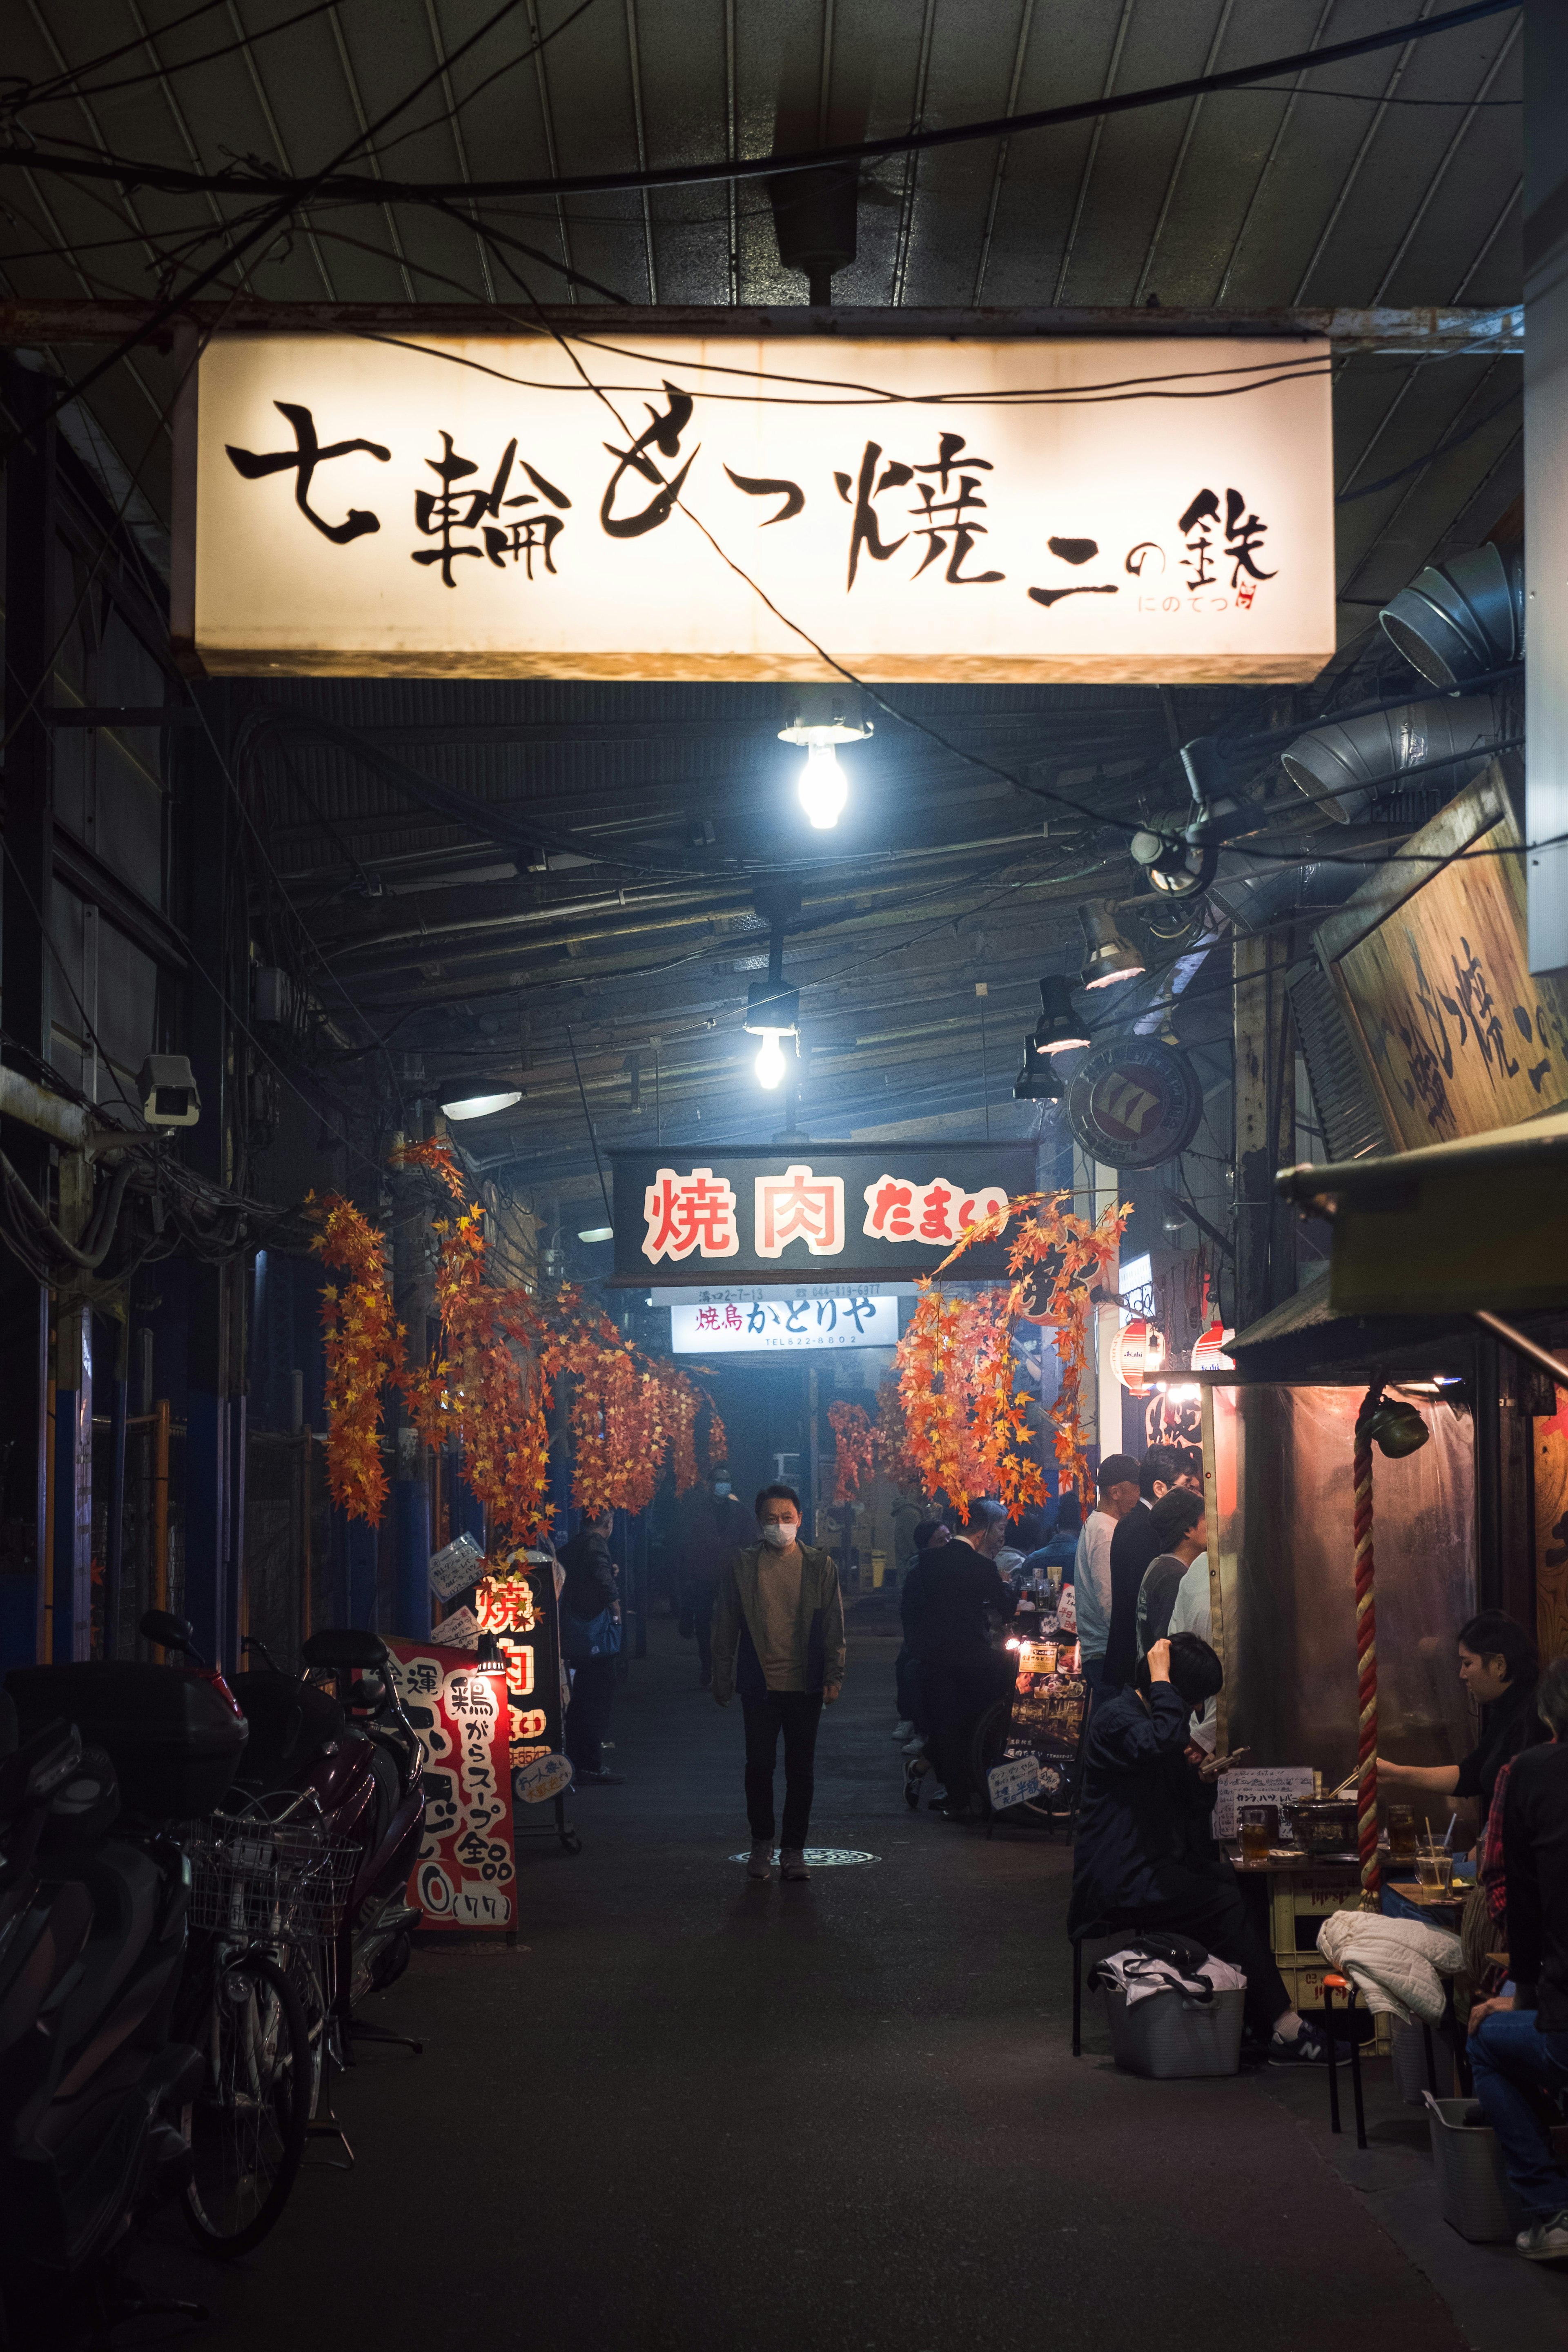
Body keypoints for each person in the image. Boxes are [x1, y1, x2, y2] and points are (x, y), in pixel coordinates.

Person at [1068, 1632, 1326, 2060]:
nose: (1193, 1710)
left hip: (1154, 1863)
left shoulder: (1150, 1718)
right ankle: (1284, 2024)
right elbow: (1160, 1741)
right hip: (1121, 1876)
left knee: (1241, 1882)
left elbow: (1182, 1801)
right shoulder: (1118, 1717)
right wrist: (1163, 1680)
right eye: (1193, 1699)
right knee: (1222, 1900)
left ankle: (1249, 2013)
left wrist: (1202, 1780)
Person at [1467, 1655, 1568, 2261]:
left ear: (1550, 1715)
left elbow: (1522, 1913)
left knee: (1486, 2040)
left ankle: (1552, 2209)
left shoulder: (1529, 1773)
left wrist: (1522, 1998)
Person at [711, 1484, 845, 1883]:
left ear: (800, 1520)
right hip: (760, 1683)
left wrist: (834, 1674)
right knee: (760, 1765)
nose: (780, 1526)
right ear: (759, 1524)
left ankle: (794, 1850)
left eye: (787, 1518)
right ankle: (762, 1843)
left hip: (804, 1683)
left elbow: (834, 1626)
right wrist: (723, 1675)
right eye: (771, 1520)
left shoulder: (821, 1566)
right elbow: (726, 1622)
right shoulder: (743, 1564)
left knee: (801, 1769)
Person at [1379, 1611, 1546, 1835]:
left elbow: (1527, 1809)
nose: (1462, 1674)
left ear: (1499, 1665)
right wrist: (1396, 1773)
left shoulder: (1533, 1716)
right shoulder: (1506, 1709)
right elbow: (1471, 1775)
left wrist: (1484, 1848)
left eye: (1468, 1663)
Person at [905, 1499, 1017, 1821]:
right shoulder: (982, 1567)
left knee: (946, 1726)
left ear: (956, 1527)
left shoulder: (925, 1562)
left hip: (933, 1658)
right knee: (972, 1720)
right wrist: (1007, 1586)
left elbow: (909, 1610)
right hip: (974, 1658)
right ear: (981, 1534)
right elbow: (1006, 1607)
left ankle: (957, 1799)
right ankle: (971, 1784)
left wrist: (917, 1648)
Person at [1103, 1445, 1202, 1692]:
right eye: (1189, 1487)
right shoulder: (1145, 1529)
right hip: (1140, 1667)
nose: (1196, 1497)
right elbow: (1151, 1608)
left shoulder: (1132, 1522)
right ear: (1160, 1488)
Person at [678, 1462, 758, 1690]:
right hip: (704, 1575)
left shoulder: (740, 1512)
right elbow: (688, 1544)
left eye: (727, 1480)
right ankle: (707, 1664)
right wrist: (689, 1575)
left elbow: (751, 1542)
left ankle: (729, 1668)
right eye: (719, 1481)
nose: (723, 1485)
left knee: (735, 1623)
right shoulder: (698, 1511)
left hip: (732, 1575)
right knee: (703, 1622)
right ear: (711, 1485)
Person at [559, 1507, 623, 1785]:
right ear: (607, 1522)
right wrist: (616, 1606)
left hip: (575, 1632)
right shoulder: (597, 1544)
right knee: (597, 1698)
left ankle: (577, 1759)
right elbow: (600, 1575)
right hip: (593, 1633)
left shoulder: (573, 1545)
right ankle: (591, 1764)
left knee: (582, 1699)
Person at [1074, 1454, 1141, 1695]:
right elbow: (1110, 1603)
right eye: (1136, 1487)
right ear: (1115, 1492)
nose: (1140, 1494)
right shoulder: (1106, 1533)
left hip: (1101, 1653)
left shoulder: (1099, 1525)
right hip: (1106, 1654)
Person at [1134, 1487, 1209, 1662]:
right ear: (1189, 1529)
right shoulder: (1176, 1577)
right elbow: (1169, 1645)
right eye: (1206, 1518)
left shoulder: (1160, 1564)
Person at [893, 1520, 949, 1743]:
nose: (948, 1542)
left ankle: (919, 1727)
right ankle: (911, 1721)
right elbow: (909, 1610)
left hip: (943, 1632)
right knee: (907, 1666)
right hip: (923, 1631)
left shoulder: (955, 1561)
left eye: (949, 1537)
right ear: (926, 1546)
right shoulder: (917, 1567)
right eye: (941, 1540)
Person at [1022, 1491, 1082, 1593]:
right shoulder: (1084, 1559)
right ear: (1080, 1529)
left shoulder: (1032, 1561)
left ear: (1057, 1527)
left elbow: (1024, 1601)